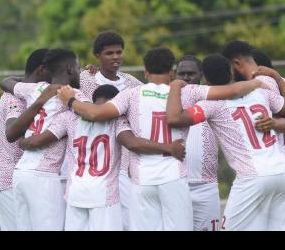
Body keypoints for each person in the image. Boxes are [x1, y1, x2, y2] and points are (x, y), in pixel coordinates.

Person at [57, 47, 266, 230]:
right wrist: (256, 83)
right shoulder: (188, 91)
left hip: (142, 181)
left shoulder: (132, 94)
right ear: (173, 72)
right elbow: (232, 90)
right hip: (173, 178)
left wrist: (71, 101)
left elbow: (95, 113)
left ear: (146, 72)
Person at [166, 53, 285, 230]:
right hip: (284, 173)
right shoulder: (261, 93)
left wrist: (176, 86)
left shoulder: (211, 105)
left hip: (253, 177)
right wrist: (277, 77)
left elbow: (174, 118)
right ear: (231, 73)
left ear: (206, 80)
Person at [19, 84, 185, 230]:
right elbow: (133, 144)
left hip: (75, 193)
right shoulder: (117, 120)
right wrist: (168, 147)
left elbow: (36, 142)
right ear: (115, 103)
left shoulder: (69, 117)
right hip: (104, 196)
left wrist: (21, 142)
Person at [222, 41, 285, 230]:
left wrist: (279, 122)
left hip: (272, 167)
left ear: (236, 64)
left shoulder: (261, 84)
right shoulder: (273, 82)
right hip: (283, 169)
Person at [0, 48, 87, 231]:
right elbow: (93, 112)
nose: (79, 73)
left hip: (21, 174)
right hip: (43, 177)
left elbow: (5, 82)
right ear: (70, 69)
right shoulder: (73, 97)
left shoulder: (35, 88)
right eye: (78, 68)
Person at [78, 30, 143, 230]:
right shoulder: (85, 79)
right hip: (93, 161)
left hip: (123, 161)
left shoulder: (132, 83)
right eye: (109, 53)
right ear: (97, 56)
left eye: (118, 52)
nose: (115, 57)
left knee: (126, 219)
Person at [0, 48, 50, 231]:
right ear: (41, 70)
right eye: (52, 72)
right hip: (7, 175)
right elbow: (11, 131)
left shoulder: (28, 94)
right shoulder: (13, 97)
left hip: (22, 175)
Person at [176, 55, 221, 231]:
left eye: (191, 74)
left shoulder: (214, 100)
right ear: (174, 74)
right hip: (176, 185)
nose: (186, 78)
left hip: (206, 186)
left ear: (201, 74)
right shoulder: (166, 101)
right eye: (182, 74)